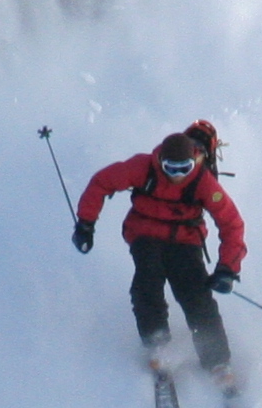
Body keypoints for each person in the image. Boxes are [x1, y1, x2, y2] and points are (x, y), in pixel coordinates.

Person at [71, 121, 246, 383]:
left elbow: (231, 223)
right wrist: (86, 223)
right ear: (160, 160)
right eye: (170, 168)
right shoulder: (142, 167)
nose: (177, 175)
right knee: (147, 283)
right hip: (145, 234)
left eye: (183, 169)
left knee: (196, 294)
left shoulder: (203, 182)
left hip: (185, 240)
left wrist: (227, 268)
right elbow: (101, 183)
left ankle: (217, 361)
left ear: (194, 163)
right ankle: (158, 344)